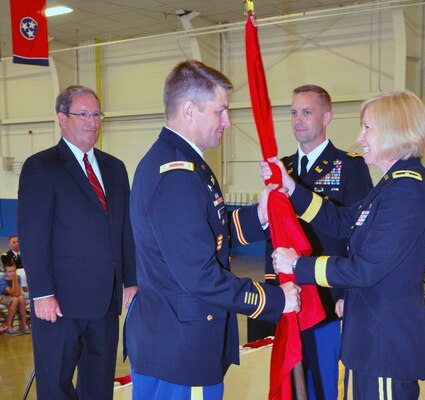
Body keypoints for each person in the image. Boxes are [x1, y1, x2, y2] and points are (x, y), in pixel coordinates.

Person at [124, 59, 302, 400]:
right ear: (190, 110)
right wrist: (274, 299)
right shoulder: (177, 175)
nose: (228, 122)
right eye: (220, 111)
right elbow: (200, 274)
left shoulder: (182, 162)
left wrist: (259, 216)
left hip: (169, 338)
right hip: (182, 348)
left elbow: (206, 234)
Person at [266, 90, 425, 400]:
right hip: (371, 337)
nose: (360, 137)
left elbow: (364, 269)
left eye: (368, 127)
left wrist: (297, 266)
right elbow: (343, 221)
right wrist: (291, 188)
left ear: (394, 129)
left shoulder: (405, 191)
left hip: (386, 344)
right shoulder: (392, 183)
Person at [17, 85, 137, 400]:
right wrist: (42, 293)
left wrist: (131, 280)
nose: (92, 122)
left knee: (99, 388)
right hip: (59, 305)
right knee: (56, 386)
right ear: (62, 118)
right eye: (83, 114)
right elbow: (33, 236)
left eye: (96, 114)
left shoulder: (115, 168)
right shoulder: (41, 167)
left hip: (105, 304)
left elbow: (124, 229)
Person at [264, 85, 373, 400]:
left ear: (327, 116)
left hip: (328, 296)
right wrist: (273, 286)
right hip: (289, 293)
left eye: (307, 112)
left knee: (323, 383)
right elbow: (274, 232)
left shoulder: (349, 166)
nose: (298, 120)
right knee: (291, 378)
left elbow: (359, 234)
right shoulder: (282, 167)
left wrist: (350, 293)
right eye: (294, 112)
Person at [0, 258, 30, 335]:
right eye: (10, 271)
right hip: (1, 295)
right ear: (5, 272)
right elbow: (13, 294)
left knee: (21, 298)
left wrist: (15, 280)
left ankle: (25, 325)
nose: (13, 273)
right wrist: (14, 281)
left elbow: (18, 293)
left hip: (10, 295)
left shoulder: (18, 277)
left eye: (14, 271)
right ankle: (9, 328)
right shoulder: (2, 279)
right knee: (15, 300)